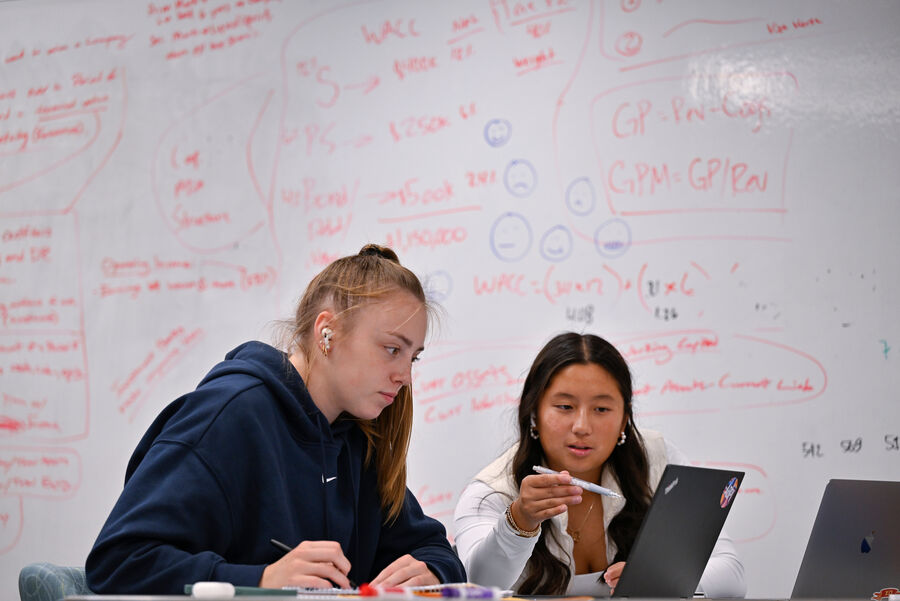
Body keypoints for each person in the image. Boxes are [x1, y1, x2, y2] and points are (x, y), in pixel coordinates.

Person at [86, 244, 465, 594]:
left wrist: (433, 571)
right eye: (392, 349)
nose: (405, 375)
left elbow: (432, 549)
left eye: (412, 357)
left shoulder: (354, 439)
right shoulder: (230, 415)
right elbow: (118, 562)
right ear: (326, 333)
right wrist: (262, 580)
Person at [453, 332, 745, 597]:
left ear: (624, 419)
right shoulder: (492, 491)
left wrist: (660, 581)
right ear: (534, 412)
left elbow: (731, 576)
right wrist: (519, 522)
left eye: (602, 409)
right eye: (564, 407)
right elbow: (479, 587)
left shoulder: (659, 462)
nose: (582, 426)